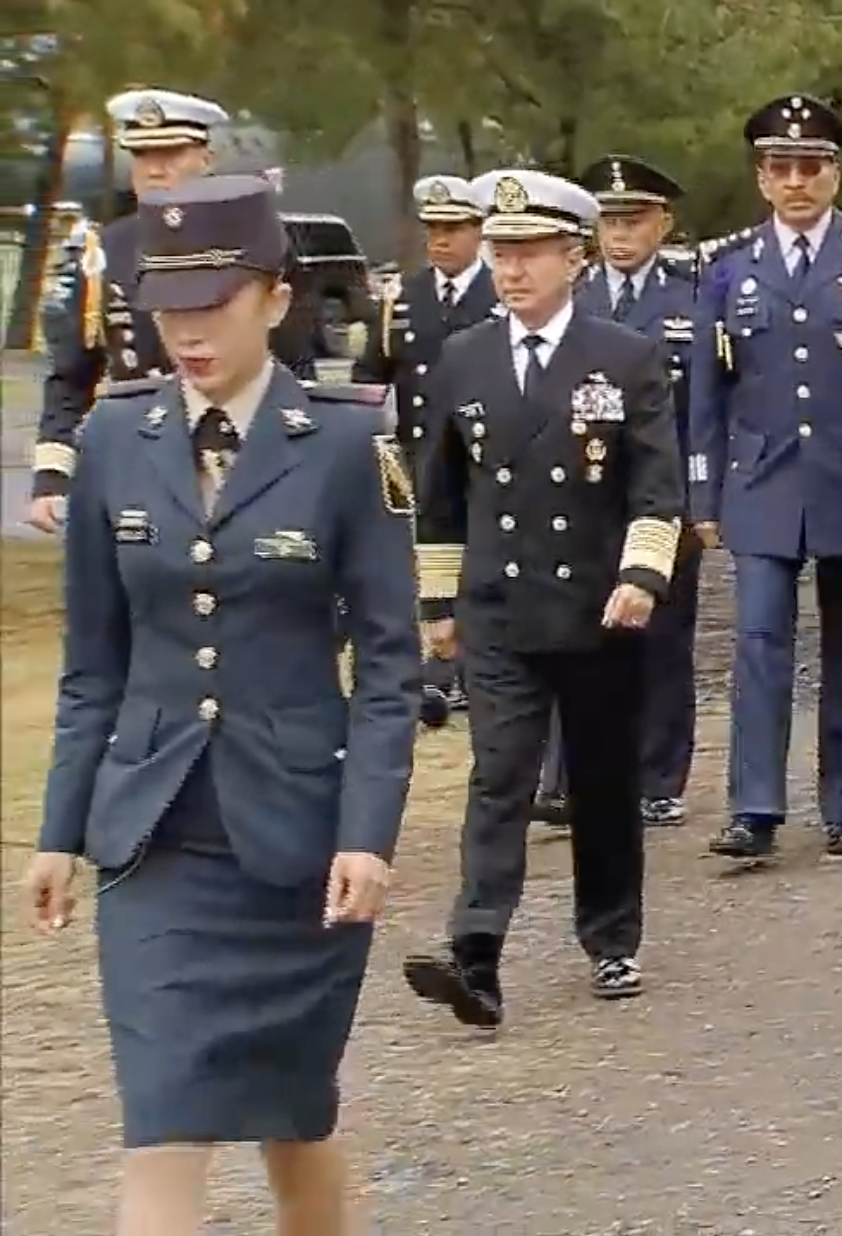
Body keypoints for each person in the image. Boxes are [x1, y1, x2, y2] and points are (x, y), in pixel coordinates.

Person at [19, 174, 419, 1234]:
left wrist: (369, 835)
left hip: (297, 846)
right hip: (153, 842)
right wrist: (58, 830)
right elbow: (92, 663)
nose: (186, 333)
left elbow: (388, 667)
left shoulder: (343, 446)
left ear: (278, 300)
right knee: (163, 1122)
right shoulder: (114, 440)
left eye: (215, 305)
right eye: (168, 307)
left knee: (296, 1121)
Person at [400, 169, 685, 1019]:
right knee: (500, 776)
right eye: (501, 253)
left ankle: (610, 939)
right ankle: (475, 951)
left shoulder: (623, 357)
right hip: (500, 606)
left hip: (599, 608)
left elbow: (657, 486)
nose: (512, 270)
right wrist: (439, 604)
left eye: (530, 253)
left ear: (576, 256)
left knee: (601, 783)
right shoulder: (465, 358)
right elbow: (440, 493)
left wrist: (642, 576)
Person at [688, 95, 842, 867]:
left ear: (835, 174)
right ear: (761, 178)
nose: (797, 181)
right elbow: (706, 391)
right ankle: (754, 806)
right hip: (760, 481)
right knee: (758, 643)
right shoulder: (726, 268)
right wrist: (702, 491)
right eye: (781, 168)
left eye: (811, 167)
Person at [27, 89, 322, 536]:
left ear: (207, 157)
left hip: (243, 459)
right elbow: (72, 373)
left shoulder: (259, 241)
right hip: (139, 455)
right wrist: (52, 475)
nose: (155, 168)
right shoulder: (107, 250)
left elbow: (296, 365)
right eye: (142, 155)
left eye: (171, 152)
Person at [529, 154, 703, 831]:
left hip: (661, 489)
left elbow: (707, 406)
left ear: (663, 223)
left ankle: (659, 776)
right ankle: (574, 775)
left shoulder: (692, 297)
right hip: (581, 492)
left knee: (661, 640)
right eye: (610, 221)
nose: (621, 234)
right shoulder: (571, 298)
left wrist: (701, 493)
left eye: (634, 220)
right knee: (576, 633)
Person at [352, 174, 499, 727]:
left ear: (478, 231)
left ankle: (471, 668)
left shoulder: (500, 294)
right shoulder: (403, 298)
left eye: (454, 228)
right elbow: (372, 374)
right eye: (433, 229)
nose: (441, 240)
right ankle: (435, 669)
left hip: (484, 453)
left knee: (479, 561)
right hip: (418, 456)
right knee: (422, 564)